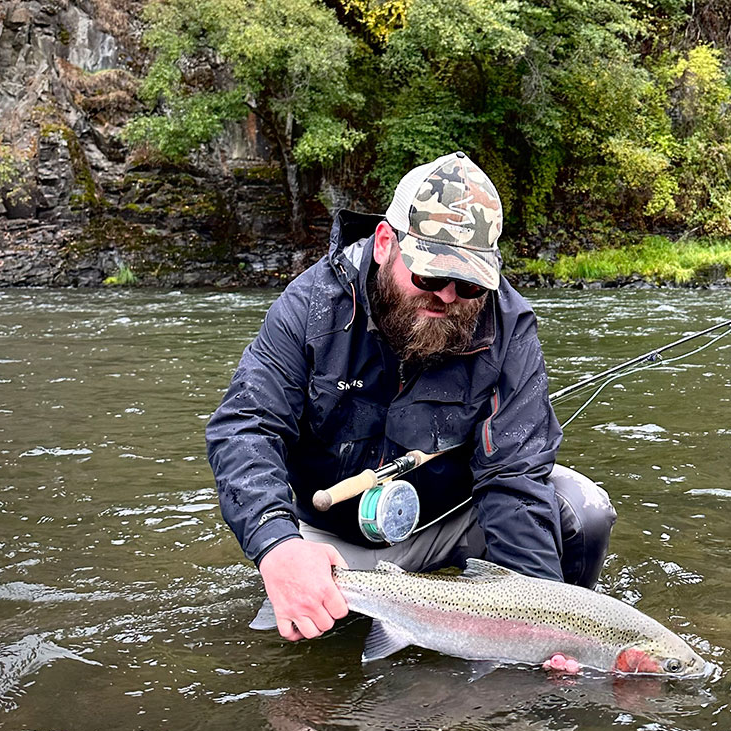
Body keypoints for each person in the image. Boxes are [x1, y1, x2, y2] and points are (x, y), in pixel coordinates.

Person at [206, 151, 617, 644]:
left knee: (582, 510)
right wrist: (277, 543)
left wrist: (543, 628)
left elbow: (514, 477)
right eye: (430, 276)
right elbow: (247, 426)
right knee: (303, 654)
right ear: (385, 243)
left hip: (450, 524)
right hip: (333, 540)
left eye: (469, 284)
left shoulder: (508, 326)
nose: (447, 296)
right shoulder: (311, 306)